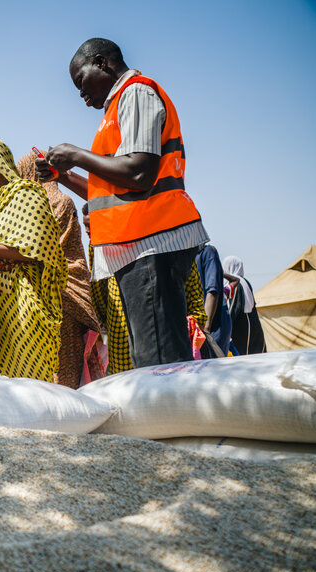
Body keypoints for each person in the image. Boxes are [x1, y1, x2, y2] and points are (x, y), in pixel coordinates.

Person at [37, 38, 210, 369]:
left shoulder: (136, 92)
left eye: (80, 81)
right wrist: (63, 175)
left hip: (151, 242)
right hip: (137, 246)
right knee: (150, 358)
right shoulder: (116, 109)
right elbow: (109, 193)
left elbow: (139, 172)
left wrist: (75, 154)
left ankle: (171, 422)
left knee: (159, 362)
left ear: (101, 63)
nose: (81, 94)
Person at [0, 139, 66, 380]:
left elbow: (42, 247)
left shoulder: (28, 194)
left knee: (29, 383)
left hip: (23, 308)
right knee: (7, 389)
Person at [84, 204, 206, 374]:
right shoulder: (166, 237)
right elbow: (191, 284)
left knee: (134, 389)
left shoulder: (105, 239)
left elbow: (99, 291)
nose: (88, 231)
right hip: (149, 331)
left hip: (124, 329)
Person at [18, 151, 100, 388]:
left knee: (54, 371)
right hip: (62, 296)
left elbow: (40, 251)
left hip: (56, 297)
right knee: (64, 369)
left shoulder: (47, 205)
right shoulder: (58, 202)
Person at [194, 244, 232, 357]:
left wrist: (206, 329)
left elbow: (212, 291)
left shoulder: (207, 252)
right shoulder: (185, 257)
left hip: (213, 324)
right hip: (198, 327)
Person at [222, 256, 266, 355]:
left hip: (241, 326)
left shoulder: (235, 283)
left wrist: (226, 325)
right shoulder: (245, 282)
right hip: (252, 321)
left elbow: (234, 307)